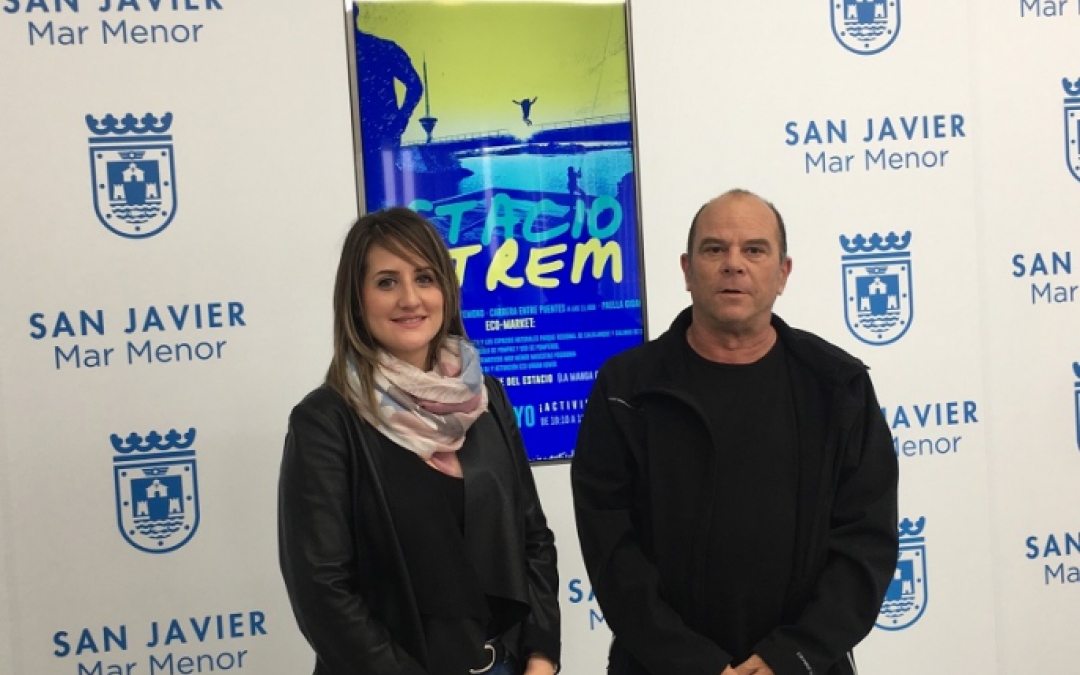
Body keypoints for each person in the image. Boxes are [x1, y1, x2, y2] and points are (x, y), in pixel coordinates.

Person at [571, 189, 899, 675]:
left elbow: (866, 543)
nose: (733, 264)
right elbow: (611, 547)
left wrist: (791, 655)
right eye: (714, 249)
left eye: (754, 249)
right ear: (687, 270)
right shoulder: (626, 389)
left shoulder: (837, 386)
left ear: (783, 273)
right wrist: (693, 664)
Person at [279, 207, 560, 675]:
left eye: (425, 278)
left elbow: (532, 538)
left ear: (446, 291)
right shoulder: (326, 421)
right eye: (387, 282)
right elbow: (322, 589)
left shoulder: (486, 398)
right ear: (356, 301)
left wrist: (541, 655)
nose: (410, 298)